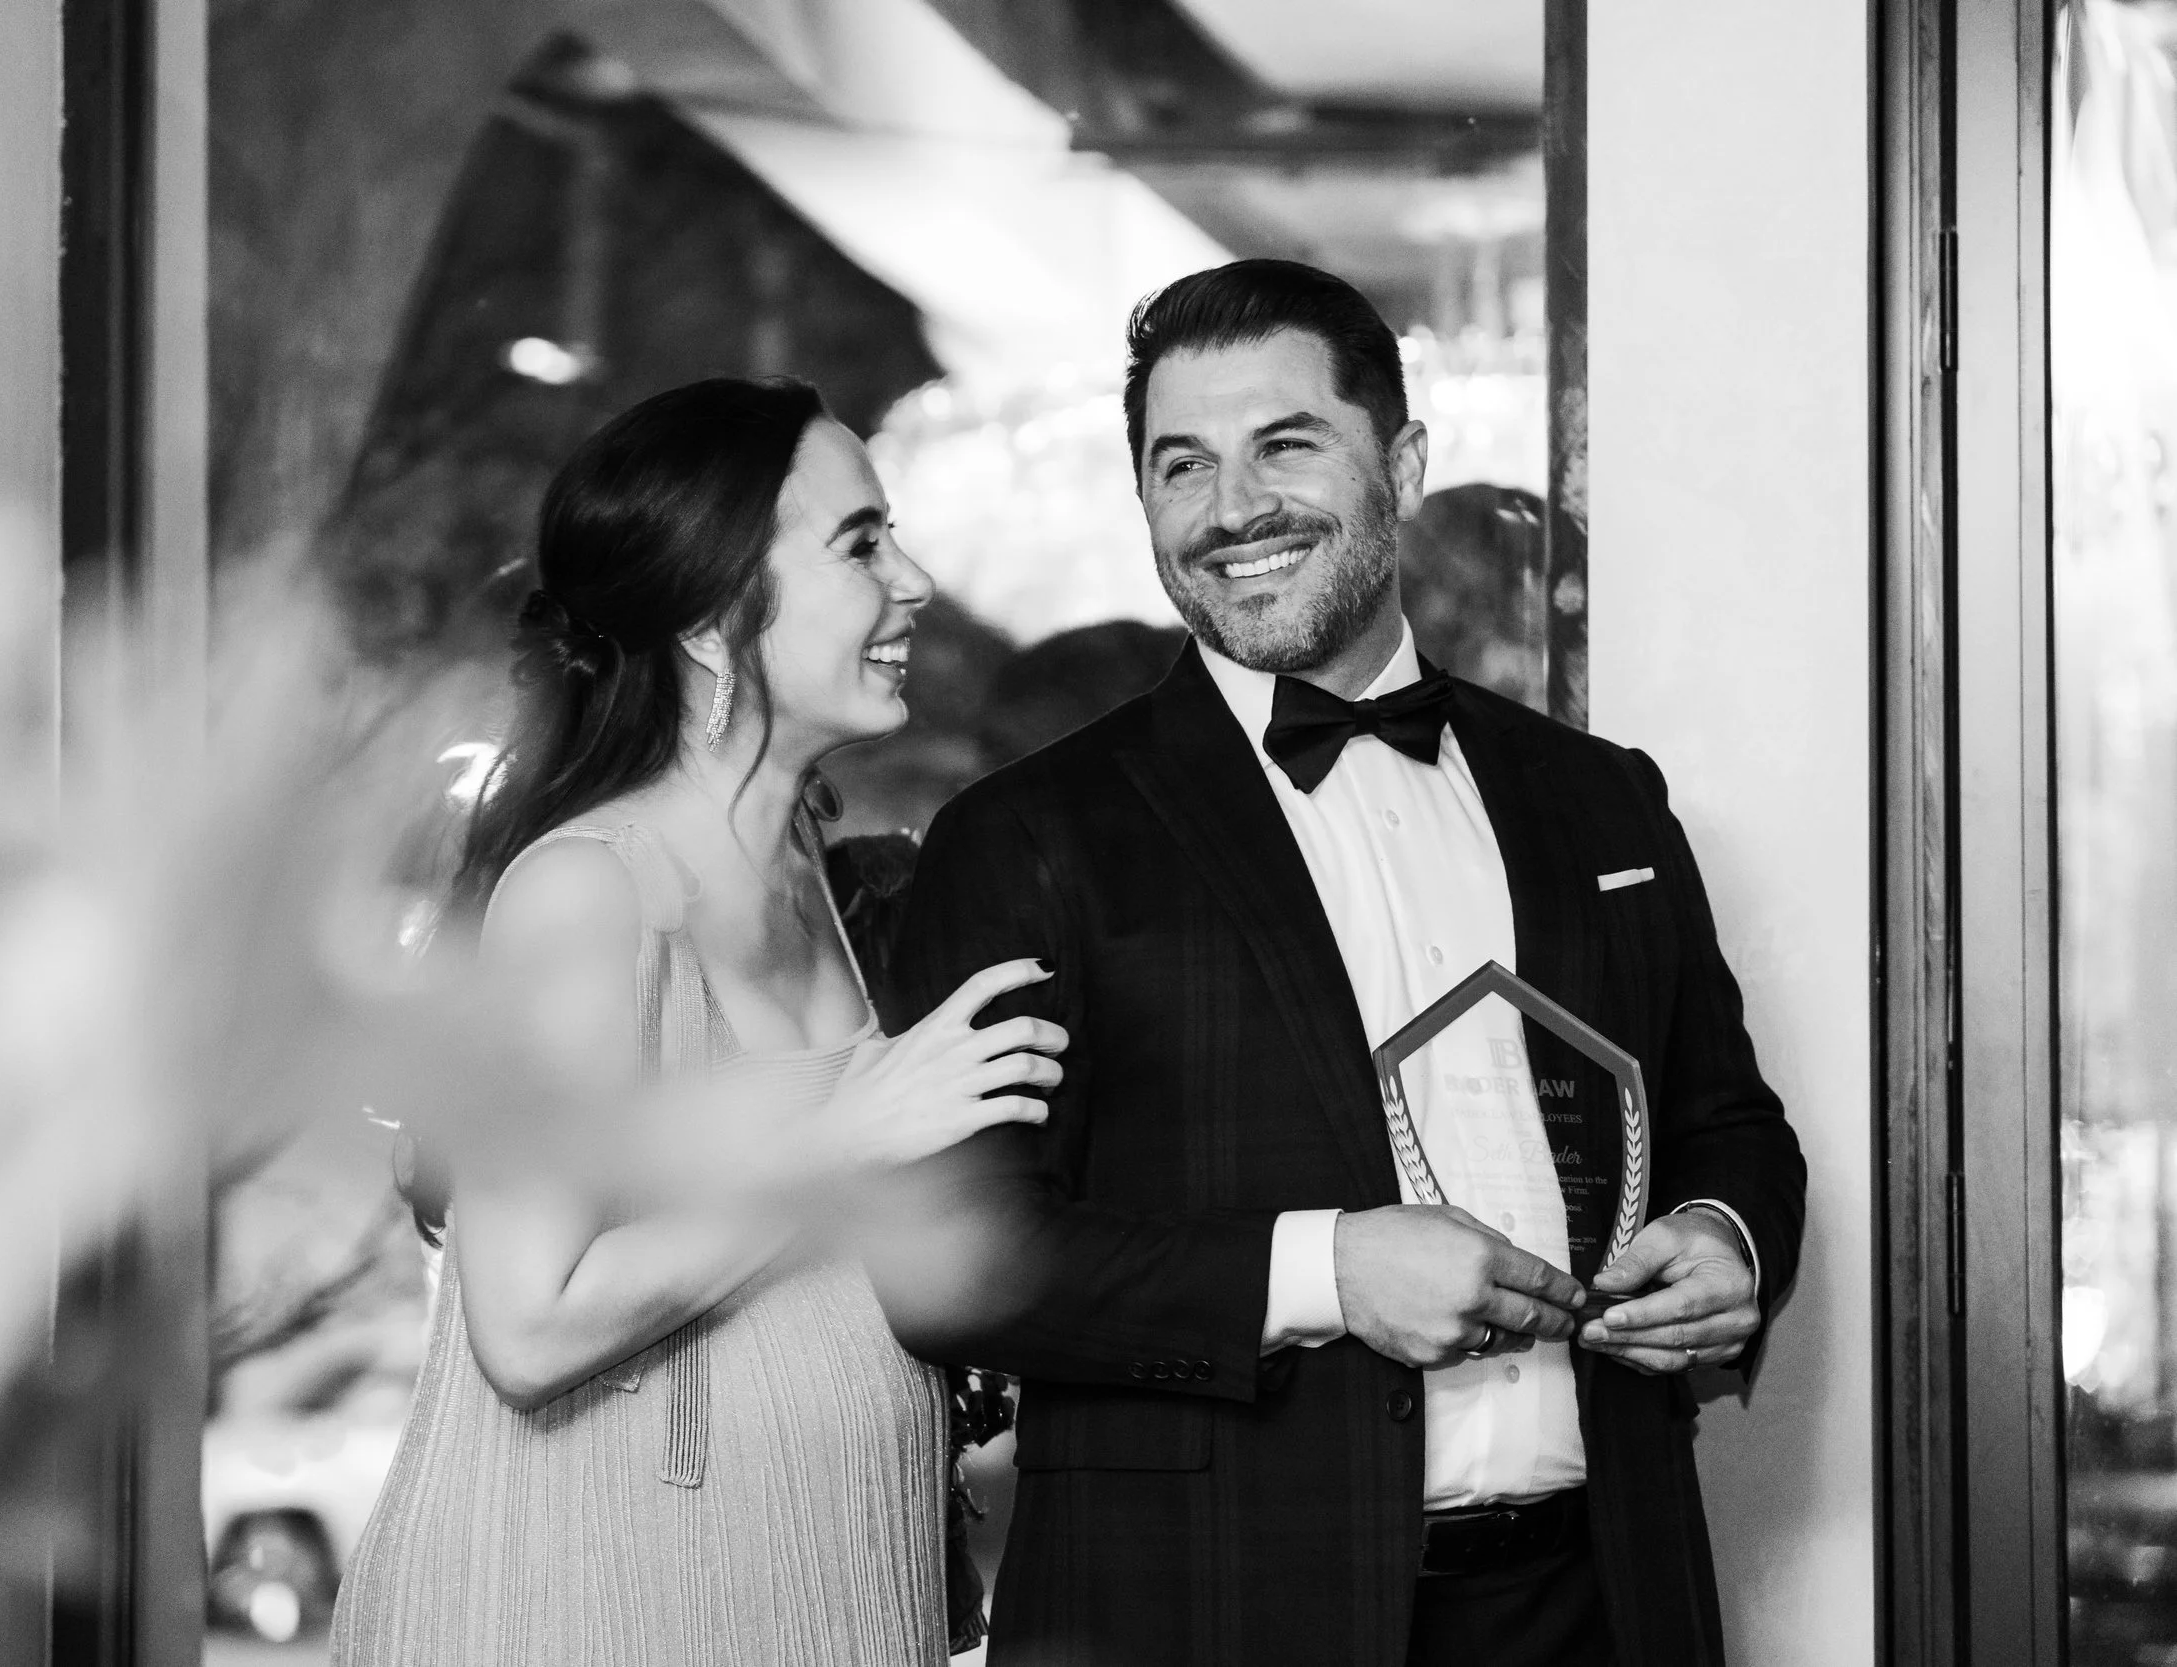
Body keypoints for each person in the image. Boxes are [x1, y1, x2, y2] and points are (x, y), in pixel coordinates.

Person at [887, 260, 1808, 1666]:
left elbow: (1729, 1123)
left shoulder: (1601, 798)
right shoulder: (1024, 836)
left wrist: (1723, 1241)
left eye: (1286, 444)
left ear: (1408, 462)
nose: (1231, 507)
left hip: (1603, 1601)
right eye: (1179, 464)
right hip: (1213, 1611)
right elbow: (955, 1262)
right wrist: (1323, 1272)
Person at [330, 377, 1066, 1667]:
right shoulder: (589, 891)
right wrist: (852, 1140)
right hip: (591, 1609)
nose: (916, 582)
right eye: (860, 543)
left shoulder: (838, 889)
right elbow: (528, 1321)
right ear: (717, 616)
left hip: (825, 1594)